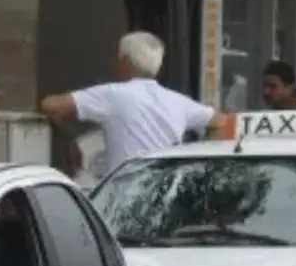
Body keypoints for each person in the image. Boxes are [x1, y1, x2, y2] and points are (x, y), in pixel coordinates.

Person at [40, 31, 218, 179]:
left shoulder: (114, 94)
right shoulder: (178, 102)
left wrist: (69, 138)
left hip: (124, 199)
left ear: (124, 61)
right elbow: (222, 121)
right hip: (165, 196)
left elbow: (51, 106)